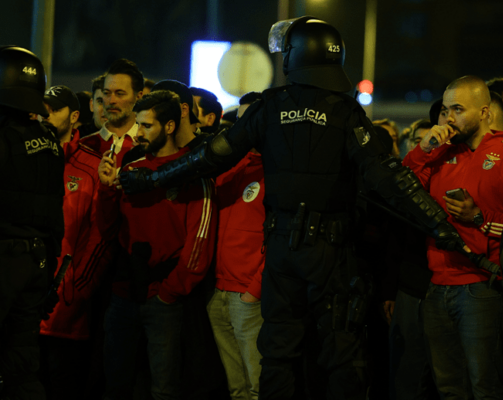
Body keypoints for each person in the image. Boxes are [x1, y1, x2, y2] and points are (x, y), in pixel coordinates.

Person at [118, 16, 467, 400]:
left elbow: (209, 156)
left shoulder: (269, 108)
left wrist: (150, 179)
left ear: (294, 57)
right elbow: (390, 178)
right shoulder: (345, 112)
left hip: (282, 251)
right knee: (342, 355)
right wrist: (440, 224)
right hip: (331, 253)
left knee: (278, 353)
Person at [403, 75, 503, 399]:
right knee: (448, 389)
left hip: (481, 288)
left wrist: (478, 219)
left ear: (485, 112)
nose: (448, 119)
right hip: (437, 287)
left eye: (457, 109)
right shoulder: (442, 153)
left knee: (484, 387)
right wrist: (424, 147)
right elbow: (401, 189)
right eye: (445, 110)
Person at [97, 90, 217, 399]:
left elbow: (199, 240)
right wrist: (108, 188)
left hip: (163, 296)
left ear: (169, 126)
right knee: (115, 384)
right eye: (138, 124)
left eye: (147, 125)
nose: (138, 133)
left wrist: (169, 291)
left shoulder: (192, 171)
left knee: (164, 388)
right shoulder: (131, 166)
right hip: (124, 293)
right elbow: (110, 228)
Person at [0, 46, 65, 400]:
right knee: (22, 365)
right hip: (38, 262)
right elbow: (56, 209)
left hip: (4, 257)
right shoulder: (50, 141)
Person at [38, 84, 108, 400]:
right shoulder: (29, 157)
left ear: (75, 116)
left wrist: (78, 288)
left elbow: (100, 234)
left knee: (63, 385)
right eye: (42, 108)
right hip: (24, 299)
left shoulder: (91, 167)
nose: (45, 114)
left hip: (67, 307)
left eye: (54, 109)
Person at [206, 92, 265, 400]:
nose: (241, 128)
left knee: (257, 387)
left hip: (248, 297)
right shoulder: (233, 165)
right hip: (220, 291)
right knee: (236, 388)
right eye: (238, 121)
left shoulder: (276, 171)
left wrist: (254, 291)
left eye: (249, 121)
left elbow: (279, 239)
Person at [80, 59, 143, 166]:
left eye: (120, 94)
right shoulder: (83, 147)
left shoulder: (149, 148)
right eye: (106, 93)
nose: (111, 100)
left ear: (138, 97)